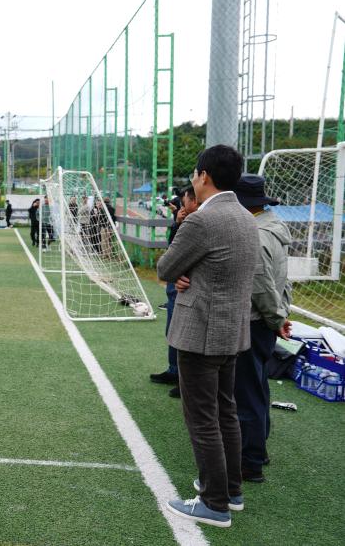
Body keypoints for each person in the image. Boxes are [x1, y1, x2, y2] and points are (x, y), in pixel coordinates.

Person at [158, 145, 259, 527]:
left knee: (202, 419)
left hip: (201, 331)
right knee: (225, 413)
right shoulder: (246, 217)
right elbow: (221, 269)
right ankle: (230, 491)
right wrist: (191, 274)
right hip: (231, 331)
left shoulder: (202, 220)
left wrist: (182, 272)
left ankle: (213, 502)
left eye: (195, 176)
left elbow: (167, 265)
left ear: (204, 176)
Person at [233, 173, 292, 484]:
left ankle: (250, 459)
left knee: (246, 392)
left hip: (255, 320)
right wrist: (281, 316)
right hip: (268, 321)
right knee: (258, 385)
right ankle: (259, 447)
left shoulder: (254, 235)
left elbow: (260, 285)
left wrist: (274, 317)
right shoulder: (274, 227)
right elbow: (282, 280)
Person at [150, 187, 198, 397]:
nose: (181, 205)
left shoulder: (203, 221)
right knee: (172, 330)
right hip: (175, 283)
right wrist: (177, 223)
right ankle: (174, 370)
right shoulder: (183, 220)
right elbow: (173, 248)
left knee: (185, 334)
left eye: (183, 201)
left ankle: (186, 380)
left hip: (188, 285)